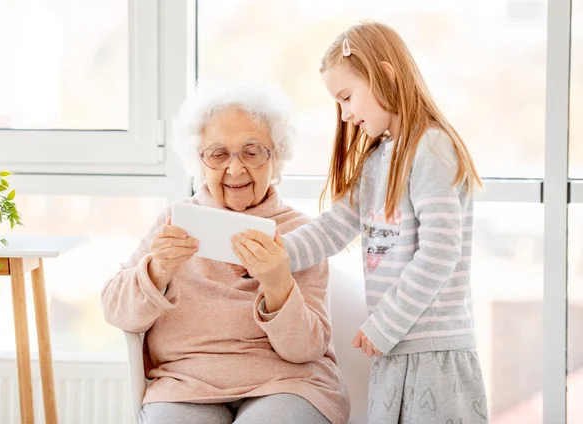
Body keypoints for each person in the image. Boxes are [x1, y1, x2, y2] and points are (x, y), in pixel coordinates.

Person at [233, 22, 488, 424]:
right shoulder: (376, 161)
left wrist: (385, 322)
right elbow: (334, 226)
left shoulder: (431, 148)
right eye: (339, 104)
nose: (346, 114)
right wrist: (275, 255)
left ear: (385, 75)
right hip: (394, 348)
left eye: (347, 97)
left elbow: (440, 252)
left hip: (431, 350)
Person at [101, 81, 350, 424]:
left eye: (252, 152)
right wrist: (156, 271)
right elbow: (117, 312)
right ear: (199, 160)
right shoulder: (174, 222)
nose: (234, 169)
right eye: (218, 154)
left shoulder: (300, 233)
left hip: (289, 385)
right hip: (184, 386)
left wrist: (278, 285)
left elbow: (306, 350)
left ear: (275, 157)